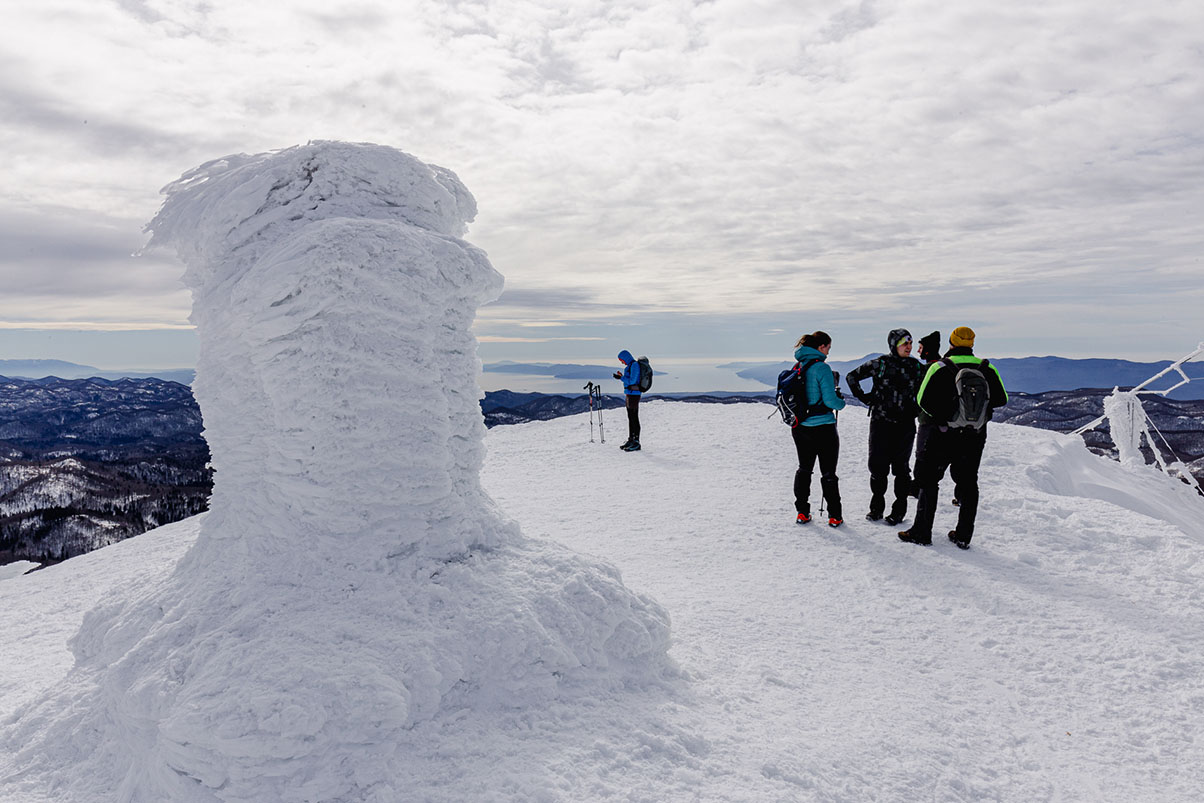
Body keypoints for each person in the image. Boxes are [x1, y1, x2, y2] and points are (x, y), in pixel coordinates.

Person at [899, 326, 1007, 549]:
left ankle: (922, 532)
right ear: (972, 345)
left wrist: (943, 416)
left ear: (951, 343)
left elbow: (922, 400)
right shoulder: (987, 368)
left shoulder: (939, 367)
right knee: (968, 483)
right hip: (974, 435)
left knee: (929, 481)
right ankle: (963, 535)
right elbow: (1001, 399)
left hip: (940, 435)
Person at [846, 328, 925, 526]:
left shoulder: (916, 366)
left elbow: (928, 390)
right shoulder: (880, 364)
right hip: (881, 423)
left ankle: (898, 511)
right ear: (894, 345)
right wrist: (865, 398)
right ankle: (876, 509)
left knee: (901, 469)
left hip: (905, 424)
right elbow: (851, 377)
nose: (909, 347)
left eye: (911, 343)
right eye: (904, 343)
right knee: (878, 467)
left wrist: (917, 408)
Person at [789, 331, 847, 527]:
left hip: (800, 427)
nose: (828, 353)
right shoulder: (822, 368)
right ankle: (834, 516)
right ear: (821, 347)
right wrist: (841, 402)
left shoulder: (799, 366)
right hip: (823, 428)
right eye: (828, 348)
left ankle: (802, 512)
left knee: (804, 469)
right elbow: (831, 401)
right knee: (828, 473)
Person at [908, 330, 942, 499]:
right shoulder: (946, 366)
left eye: (920, 348)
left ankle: (917, 486)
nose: (918, 351)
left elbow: (918, 395)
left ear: (927, 350)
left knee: (922, 453)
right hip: (947, 421)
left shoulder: (927, 369)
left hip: (927, 420)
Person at [613, 350, 643, 451]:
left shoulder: (634, 365)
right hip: (630, 394)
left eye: (622, 360)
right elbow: (629, 379)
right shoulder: (629, 366)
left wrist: (621, 378)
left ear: (626, 358)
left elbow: (633, 381)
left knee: (634, 417)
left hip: (634, 395)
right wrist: (621, 377)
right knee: (631, 417)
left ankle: (636, 442)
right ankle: (631, 439)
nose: (622, 362)